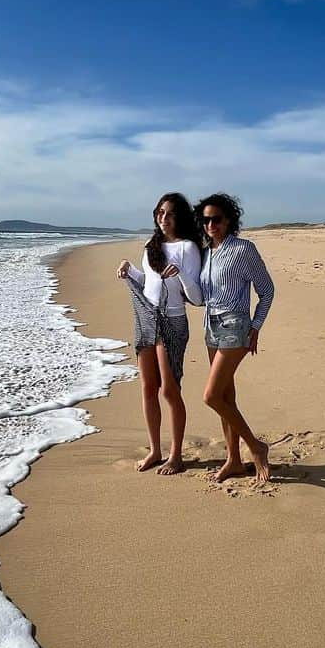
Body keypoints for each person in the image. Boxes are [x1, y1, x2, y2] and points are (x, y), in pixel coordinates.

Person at [117, 193, 204, 475]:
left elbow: (197, 297)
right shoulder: (150, 245)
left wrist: (180, 274)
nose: (163, 219)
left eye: (170, 214)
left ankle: (176, 455)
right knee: (148, 387)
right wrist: (129, 270)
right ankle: (155, 450)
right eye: (160, 213)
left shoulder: (188, 248)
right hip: (146, 317)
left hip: (172, 320)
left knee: (169, 389)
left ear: (180, 218)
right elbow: (148, 283)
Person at [194, 192, 275, 483]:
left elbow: (267, 290)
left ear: (229, 219)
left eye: (216, 219)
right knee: (226, 396)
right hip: (210, 326)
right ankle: (234, 460)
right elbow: (201, 295)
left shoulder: (244, 250)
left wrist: (255, 326)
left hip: (235, 325)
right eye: (205, 220)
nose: (211, 225)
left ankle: (256, 447)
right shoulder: (207, 253)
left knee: (211, 396)